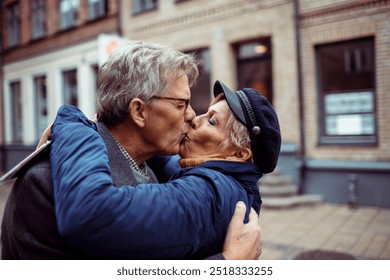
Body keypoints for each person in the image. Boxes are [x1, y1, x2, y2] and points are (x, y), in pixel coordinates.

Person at [1, 41, 262, 260]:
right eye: (181, 104)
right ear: (139, 111)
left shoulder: (157, 172)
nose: (192, 115)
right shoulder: (45, 182)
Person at [44, 79, 281, 259]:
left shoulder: (209, 194)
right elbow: (164, 161)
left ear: (239, 154)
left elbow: (93, 212)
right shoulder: (226, 181)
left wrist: (72, 123)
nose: (194, 119)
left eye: (212, 121)